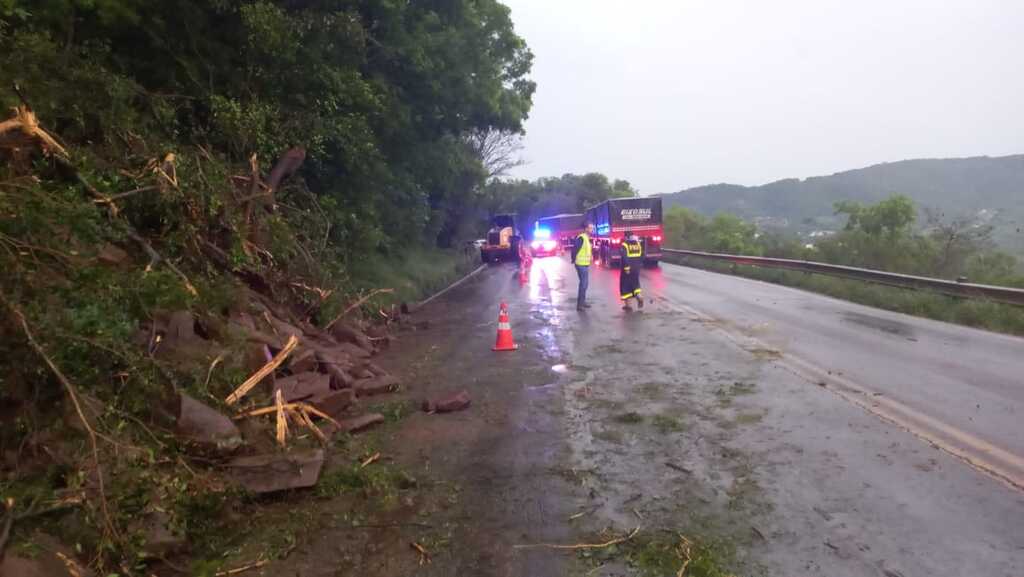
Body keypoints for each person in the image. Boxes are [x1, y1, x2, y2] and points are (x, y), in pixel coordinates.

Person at [571, 222, 594, 311]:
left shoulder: (586, 238)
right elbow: (575, 249)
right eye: (590, 228)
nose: (592, 230)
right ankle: (580, 305)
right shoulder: (581, 238)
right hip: (580, 264)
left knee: (585, 284)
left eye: (592, 228)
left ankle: (582, 302)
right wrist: (573, 260)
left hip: (584, 264)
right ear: (586, 229)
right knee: (583, 284)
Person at [619, 231, 644, 310]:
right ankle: (639, 296)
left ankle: (628, 305)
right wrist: (639, 265)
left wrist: (626, 268)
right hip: (636, 268)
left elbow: (625, 258)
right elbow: (642, 255)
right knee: (635, 284)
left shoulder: (625, 245)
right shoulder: (638, 244)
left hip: (627, 269)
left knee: (625, 286)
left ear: (626, 237)